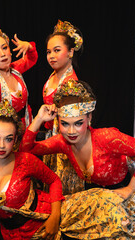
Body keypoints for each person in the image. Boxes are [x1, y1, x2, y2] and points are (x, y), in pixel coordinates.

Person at [0, 100, 135, 240]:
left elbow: (54, 180)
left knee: (110, 216)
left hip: (49, 215)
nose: (2, 145)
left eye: (8, 139)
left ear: (15, 139)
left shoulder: (25, 161)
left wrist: (55, 217)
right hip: (14, 234)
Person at [20, 80, 135, 239]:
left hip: (130, 190)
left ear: (89, 118)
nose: (71, 131)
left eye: (78, 123)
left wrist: (129, 189)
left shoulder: (106, 138)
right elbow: (25, 151)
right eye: (65, 124)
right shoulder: (62, 143)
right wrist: (38, 119)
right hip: (102, 196)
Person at [41, 20, 85, 195]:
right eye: (49, 52)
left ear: (71, 52)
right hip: (51, 134)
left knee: (63, 181)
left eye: (57, 50)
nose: (51, 55)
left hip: (65, 138)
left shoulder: (70, 82)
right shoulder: (54, 74)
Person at [0, 22, 38, 128]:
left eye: (4, 48)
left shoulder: (15, 69)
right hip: (9, 133)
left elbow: (32, 59)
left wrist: (28, 46)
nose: (2, 54)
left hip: (28, 125)